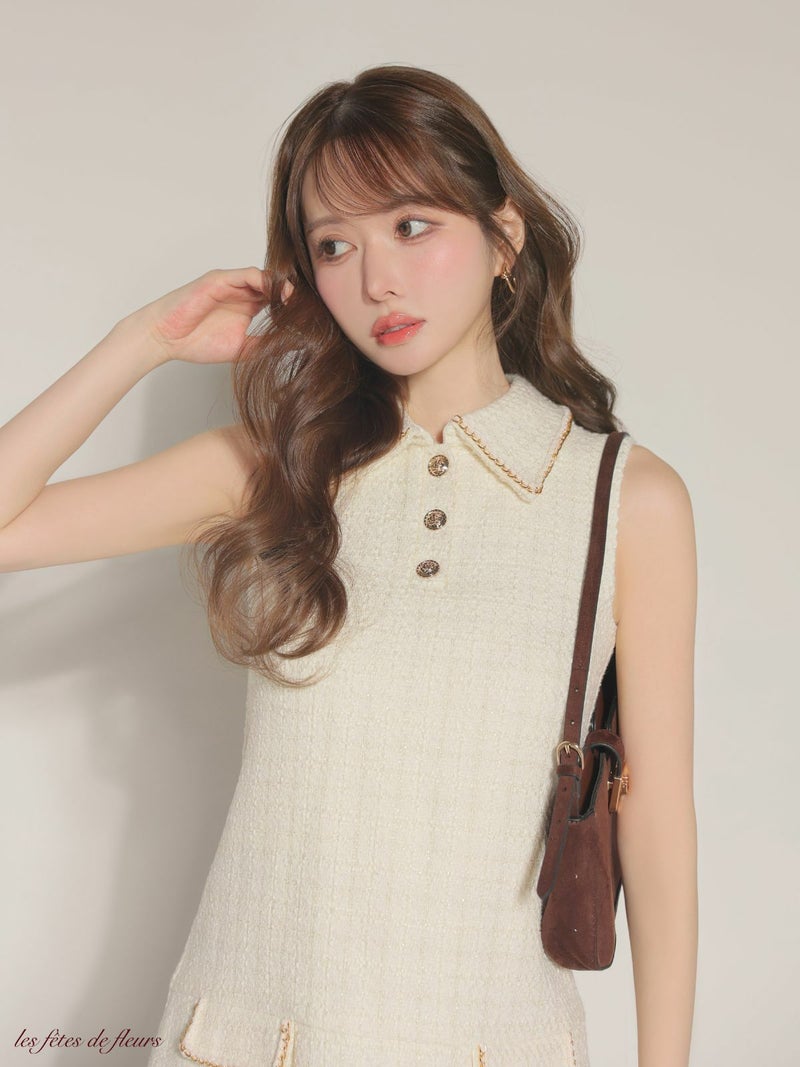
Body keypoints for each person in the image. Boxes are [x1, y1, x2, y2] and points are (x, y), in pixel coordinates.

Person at [0, 64, 697, 1067]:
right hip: (243, 1037)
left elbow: (654, 820)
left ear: (502, 237)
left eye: (411, 226)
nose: (376, 281)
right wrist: (141, 341)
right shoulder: (279, 467)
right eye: (335, 245)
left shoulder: (623, 497)